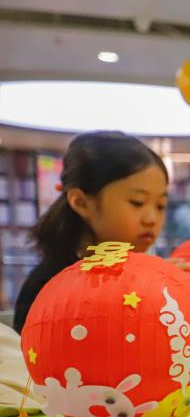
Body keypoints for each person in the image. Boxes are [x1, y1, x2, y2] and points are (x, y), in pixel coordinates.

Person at [14, 131, 172, 332]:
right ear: (81, 202)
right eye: (137, 202)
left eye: (160, 206)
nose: (151, 219)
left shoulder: (141, 274)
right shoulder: (49, 286)